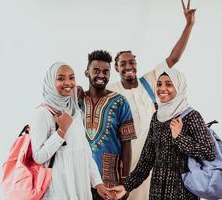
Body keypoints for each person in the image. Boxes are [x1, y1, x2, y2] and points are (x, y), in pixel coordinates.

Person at [107, 1, 196, 199]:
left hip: (154, 159)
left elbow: (173, 58)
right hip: (126, 163)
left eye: (132, 61)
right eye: (123, 63)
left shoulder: (150, 82)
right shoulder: (111, 91)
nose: (129, 66)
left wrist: (189, 25)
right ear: (117, 68)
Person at [109, 68, 216, 200]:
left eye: (169, 84)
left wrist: (180, 137)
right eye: (159, 84)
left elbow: (209, 152)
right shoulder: (157, 117)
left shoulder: (191, 116)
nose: (162, 88)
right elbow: (146, 160)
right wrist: (126, 186)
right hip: (157, 192)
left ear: (179, 86)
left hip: (183, 193)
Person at [30, 62, 114, 200]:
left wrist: (97, 183)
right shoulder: (43, 113)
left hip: (80, 187)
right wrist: (61, 131)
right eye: (61, 78)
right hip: (59, 190)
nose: (68, 82)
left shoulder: (75, 112)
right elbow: (38, 157)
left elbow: (85, 152)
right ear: (51, 82)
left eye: (71, 77)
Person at [79, 50, 137, 200]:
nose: (101, 75)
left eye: (106, 71)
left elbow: (127, 144)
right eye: (96, 71)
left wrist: (126, 181)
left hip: (110, 181)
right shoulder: (77, 101)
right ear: (87, 72)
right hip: (80, 180)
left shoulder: (120, 102)